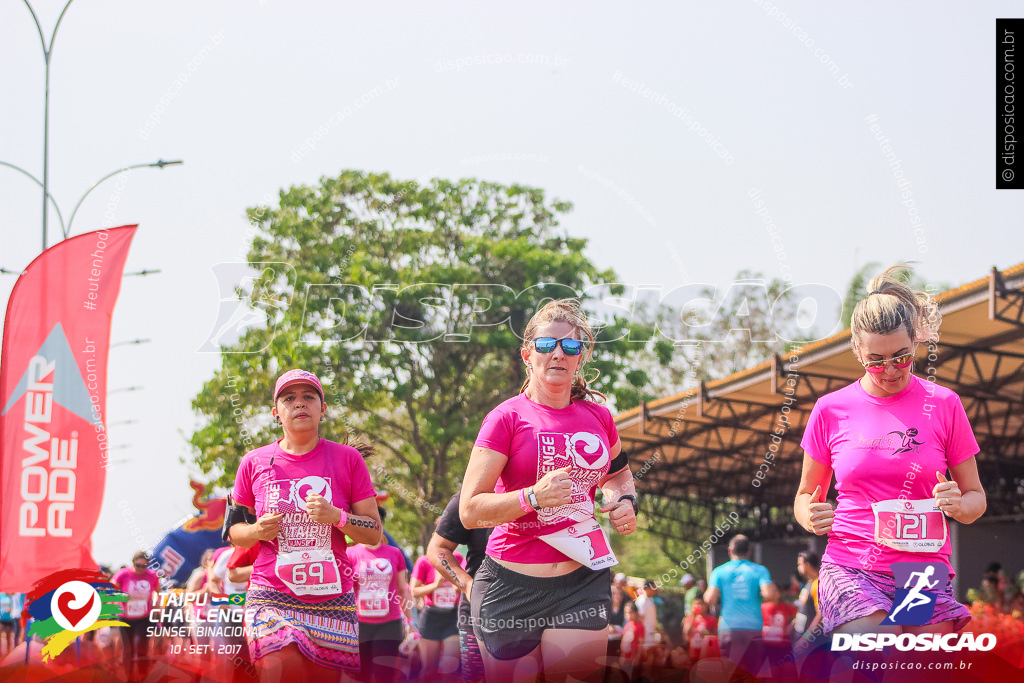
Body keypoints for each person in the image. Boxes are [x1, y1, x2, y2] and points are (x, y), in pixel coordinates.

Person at [794, 265, 986, 637]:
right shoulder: (830, 409)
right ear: (856, 350)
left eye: (901, 357)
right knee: (871, 651)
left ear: (915, 341)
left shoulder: (944, 405)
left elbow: (976, 497)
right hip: (851, 564)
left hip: (920, 569)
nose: (890, 371)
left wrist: (960, 505)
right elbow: (804, 495)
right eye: (875, 362)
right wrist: (809, 515)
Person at [460, 298, 638, 682]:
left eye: (570, 347)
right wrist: (532, 498)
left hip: (582, 582)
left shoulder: (598, 418)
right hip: (511, 586)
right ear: (528, 354)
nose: (558, 353)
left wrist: (624, 500)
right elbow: (470, 510)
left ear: (580, 359)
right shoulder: (505, 418)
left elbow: (619, 475)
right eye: (546, 345)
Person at [228, 369, 382, 682]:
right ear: (276, 413)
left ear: (322, 409)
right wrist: (257, 531)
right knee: (284, 671)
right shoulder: (253, 462)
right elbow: (234, 534)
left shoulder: (348, 459)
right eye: (289, 398)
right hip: (271, 595)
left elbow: (373, 532)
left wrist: (336, 516)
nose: (300, 404)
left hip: (330, 598)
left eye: (308, 397)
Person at [427, 491, 494, 683]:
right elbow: (437, 549)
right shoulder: (467, 496)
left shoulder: (546, 488)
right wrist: (467, 585)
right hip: (478, 613)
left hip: (540, 612)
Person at [347, 507, 413, 683]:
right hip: (359, 625)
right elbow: (345, 591)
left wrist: (411, 622)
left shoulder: (395, 553)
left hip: (389, 625)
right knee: (362, 676)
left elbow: (402, 590)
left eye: (378, 524)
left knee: (386, 675)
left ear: (382, 526)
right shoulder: (350, 554)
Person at [704, 535, 776, 679]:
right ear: (749, 551)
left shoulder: (719, 571)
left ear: (730, 550)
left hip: (729, 629)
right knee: (753, 674)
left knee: (730, 675)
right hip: (753, 628)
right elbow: (769, 594)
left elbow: (710, 598)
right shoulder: (760, 570)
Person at [410, 545, 465, 676]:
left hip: (453, 616)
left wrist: (455, 582)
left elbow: (464, 585)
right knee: (429, 669)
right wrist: (436, 585)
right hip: (431, 616)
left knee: (450, 667)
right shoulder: (424, 561)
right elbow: (414, 591)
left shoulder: (458, 558)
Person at [111, 551, 160, 680]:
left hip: (144, 616)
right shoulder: (123, 574)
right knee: (128, 649)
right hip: (125, 616)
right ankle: (129, 677)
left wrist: (157, 605)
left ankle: (143, 675)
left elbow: (157, 592)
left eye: (144, 566)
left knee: (140, 646)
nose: (140, 569)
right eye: (138, 566)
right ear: (133, 563)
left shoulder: (152, 575)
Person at [634, 580, 660, 649]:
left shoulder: (650, 600)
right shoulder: (641, 601)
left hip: (651, 631)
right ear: (648, 588)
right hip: (645, 633)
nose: (655, 590)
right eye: (653, 588)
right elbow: (640, 618)